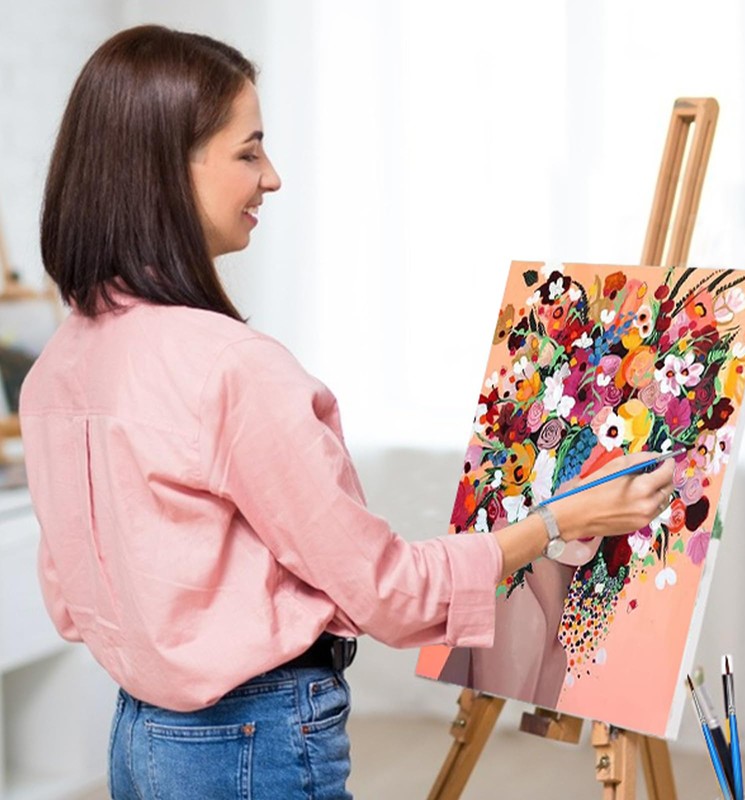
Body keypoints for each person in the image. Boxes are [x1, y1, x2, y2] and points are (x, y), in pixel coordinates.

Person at [19, 25, 676, 800]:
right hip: (249, 741)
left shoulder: (55, 369)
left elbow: (71, 596)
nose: (272, 178)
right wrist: (558, 522)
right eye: (248, 152)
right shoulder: (230, 367)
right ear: (165, 169)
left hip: (141, 737)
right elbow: (386, 589)